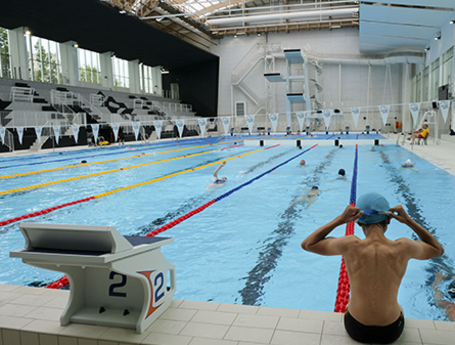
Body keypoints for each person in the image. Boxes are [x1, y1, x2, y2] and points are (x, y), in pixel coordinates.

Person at [301, 192, 444, 344]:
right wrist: (408, 220)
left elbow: (308, 244)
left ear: (358, 222)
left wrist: (340, 220)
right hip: (392, 331)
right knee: (398, 306)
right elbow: (437, 249)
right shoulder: (403, 247)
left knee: (350, 303)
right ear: (389, 220)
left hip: (356, 329)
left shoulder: (350, 245)